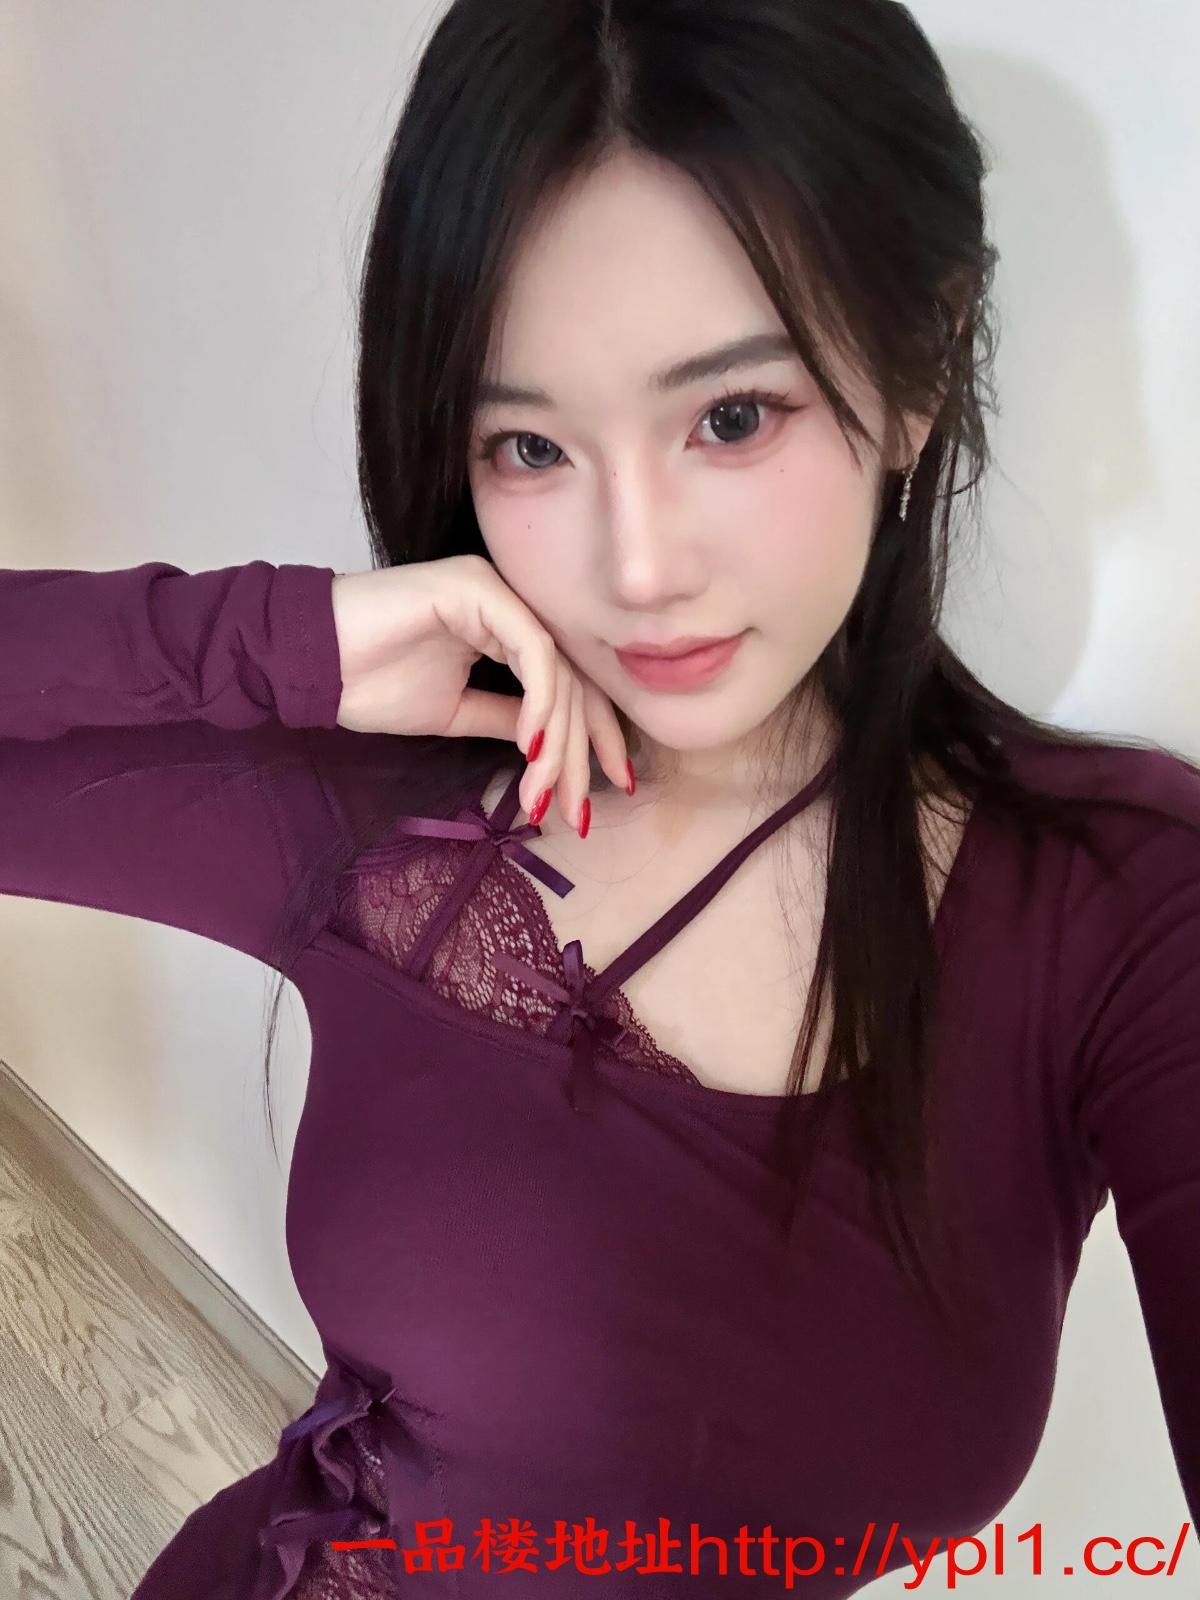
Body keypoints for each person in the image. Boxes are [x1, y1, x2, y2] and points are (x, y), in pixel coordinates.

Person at [3, 1, 1198, 1595]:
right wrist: (276, 637)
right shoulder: (382, 806)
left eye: (731, 417)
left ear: (921, 362)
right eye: (528, 446)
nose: (636, 568)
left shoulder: (1122, 908)